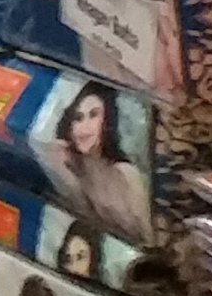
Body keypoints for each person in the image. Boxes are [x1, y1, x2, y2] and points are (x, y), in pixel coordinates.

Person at [40, 80, 155, 237]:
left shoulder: (125, 174)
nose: (84, 128)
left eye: (93, 115)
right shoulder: (75, 167)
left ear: (106, 121)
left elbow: (149, 235)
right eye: (78, 118)